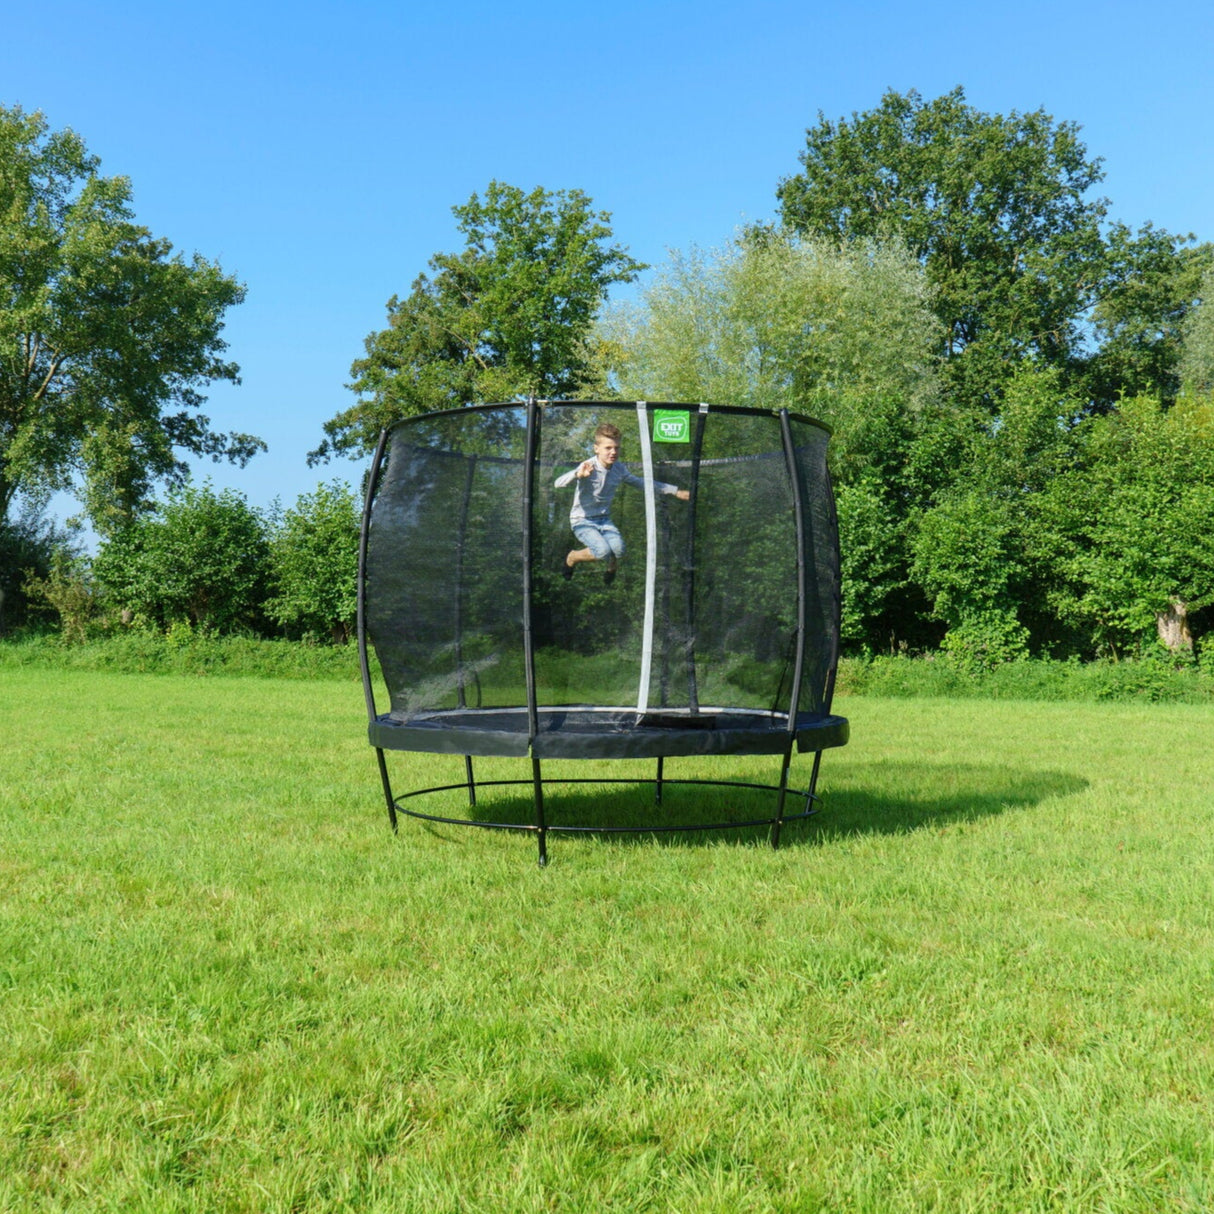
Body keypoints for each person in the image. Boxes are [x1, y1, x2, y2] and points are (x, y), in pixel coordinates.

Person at [554, 422, 689, 584]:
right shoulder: (587, 466)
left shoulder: (619, 469)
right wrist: (578, 474)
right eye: (608, 448)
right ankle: (573, 557)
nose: (613, 452)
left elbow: (641, 482)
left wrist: (674, 490)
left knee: (619, 549)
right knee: (602, 551)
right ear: (596, 448)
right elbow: (558, 483)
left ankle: (612, 565)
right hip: (582, 520)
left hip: (603, 519)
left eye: (617, 448)